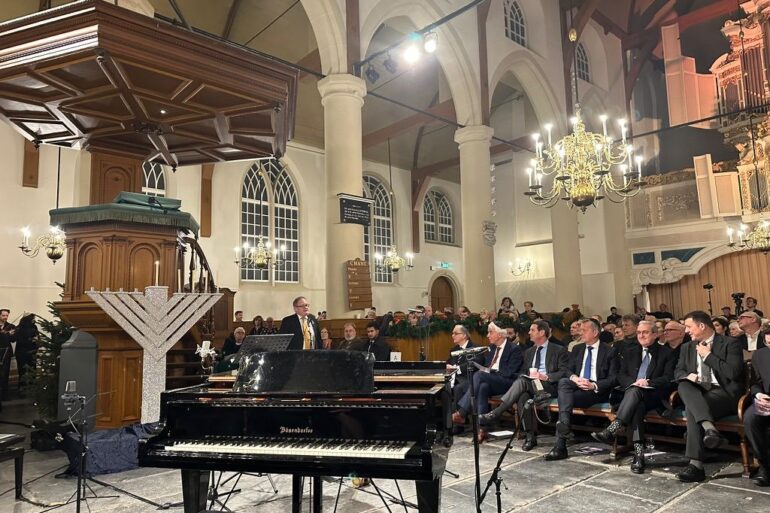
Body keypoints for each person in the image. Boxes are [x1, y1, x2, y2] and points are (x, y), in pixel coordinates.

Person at [591, 320, 676, 473]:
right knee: (637, 405)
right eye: (639, 333)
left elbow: (669, 378)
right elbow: (621, 375)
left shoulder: (667, 353)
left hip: (654, 396)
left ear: (655, 334)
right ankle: (638, 455)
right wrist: (634, 383)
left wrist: (648, 382)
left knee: (636, 395)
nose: (641, 335)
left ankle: (614, 428)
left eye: (645, 332)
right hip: (632, 396)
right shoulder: (630, 351)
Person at [674, 310, 745, 482]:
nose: (686, 331)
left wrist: (708, 356)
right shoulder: (687, 347)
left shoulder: (730, 343)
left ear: (701, 326)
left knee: (692, 409)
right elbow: (678, 371)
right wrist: (688, 375)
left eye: (689, 327)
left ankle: (696, 465)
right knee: (683, 384)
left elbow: (733, 373)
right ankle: (709, 429)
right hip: (698, 391)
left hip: (724, 393)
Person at [480, 320, 570, 451]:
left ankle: (496, 412)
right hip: (530, 384)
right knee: (523, 396)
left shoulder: (558, 350)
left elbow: (564, 372)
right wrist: (528, 376)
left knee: (522, 382)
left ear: (542, 332)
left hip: (548, 385)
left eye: (532, 330)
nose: (529, 333)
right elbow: (522, 372)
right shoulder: (529, 352)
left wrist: (546, 376)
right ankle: (530, 437)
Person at [544, 319, 615, 461]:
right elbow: (567, 370)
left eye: (584, 330)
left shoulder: (609, 351)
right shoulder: (577, 349)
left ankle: (560, 445)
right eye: (580, 330)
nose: (580, 333)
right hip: (577, 385)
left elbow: (614, 378)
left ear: (595, 332)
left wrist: (593, 385)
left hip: (595, 390)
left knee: (565, 400)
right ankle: (564, 426)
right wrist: (575, 378)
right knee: (564, 381)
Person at [452, 322, 524, 443]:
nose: (487, 335)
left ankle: (462, 413)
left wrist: (490, 373)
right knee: (482, 387)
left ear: (500, 334)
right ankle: (482, 429)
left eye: (490, 332)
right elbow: (486, 366)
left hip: (508, 382)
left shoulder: (514, 349)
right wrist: (487, 372)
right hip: (491, 381)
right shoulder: (492, 348)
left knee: (479, 375)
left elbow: (509, 372)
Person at [743, 326, 770, 486]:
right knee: (750, 418)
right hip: (767, 400)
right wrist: (759, 395)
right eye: (768, 343)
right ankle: (765, 466)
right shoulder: (760, 355)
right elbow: (755, 383)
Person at [446, 325, 476, 413]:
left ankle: (458, 416)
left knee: (458, 388)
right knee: (441, 389)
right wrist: (446, 366)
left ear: (464, 335)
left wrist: (456, 369)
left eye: (455, 333)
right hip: (453, 379)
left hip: (468, 379)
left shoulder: (474, 348)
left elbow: (475, 364)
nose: (453, 335)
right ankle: (446, 417)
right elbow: (448, 362)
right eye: (452, 333)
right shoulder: (454, 350)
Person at [14, 313, 38, 385]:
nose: (34, 320)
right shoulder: (19, 328)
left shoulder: (34, 327)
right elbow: (19, 340)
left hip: (32, 352)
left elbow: (37, 337)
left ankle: (33, 387)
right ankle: (22, 388)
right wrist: (31, 340)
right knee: (22, 371)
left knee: (32, 370)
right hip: (22, 353)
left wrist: (36, 341)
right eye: (32, 318)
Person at [0, 309, 17, 401]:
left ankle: (4, 395)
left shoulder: (11, 326)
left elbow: (13, 340)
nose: (5, 317)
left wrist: (10, 335)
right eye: (3, 315)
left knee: (5, 373)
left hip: (6, 352)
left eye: (7, 315)